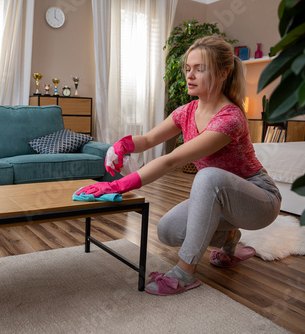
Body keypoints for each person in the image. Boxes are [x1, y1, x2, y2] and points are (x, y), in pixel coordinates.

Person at [75, 35, 281, 296]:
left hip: (260, 200)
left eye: (199, 69)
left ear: (223, 72)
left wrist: (117, 185)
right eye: (188, 68)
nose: (189, 75)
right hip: (225, 199)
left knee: (207, 178)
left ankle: (185, 273)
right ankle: (229, 238)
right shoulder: (186, 112)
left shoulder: (230, 118)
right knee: (168, 230)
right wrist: (121, 145)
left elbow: (172, 159)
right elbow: (149, 139)